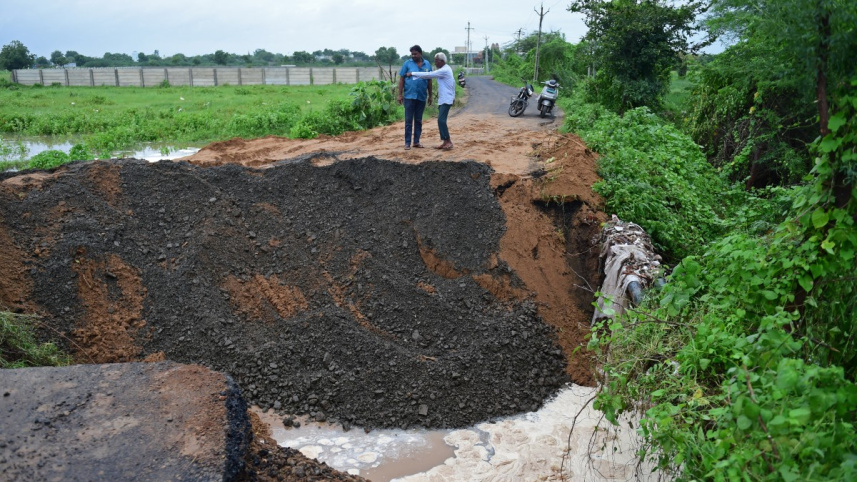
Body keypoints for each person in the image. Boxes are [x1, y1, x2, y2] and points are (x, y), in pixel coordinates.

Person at [407, 52, 455, 150]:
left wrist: (413, 73)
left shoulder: (444, 70)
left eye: (436, 61)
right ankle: (445, 141)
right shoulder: (446, 68)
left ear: (442, 61)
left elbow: (429, 75)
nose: (435, 63)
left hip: (446, 99)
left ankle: (448, 141)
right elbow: (453, 83)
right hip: (445, 99)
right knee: (441, 120)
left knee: (441, 120)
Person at [397, 45, 433, 150]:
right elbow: (402, 79)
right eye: (412, 54)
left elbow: (429, 81)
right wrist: (400, 95)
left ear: (420, 53)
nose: (413, 56)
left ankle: (416, 142)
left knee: (418, 120)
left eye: (415, 54)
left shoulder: (427, 64)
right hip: (409, 96)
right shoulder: (407, 64)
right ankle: (407, 143)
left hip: (421, 96)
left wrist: (430, 96)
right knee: (408, 121)